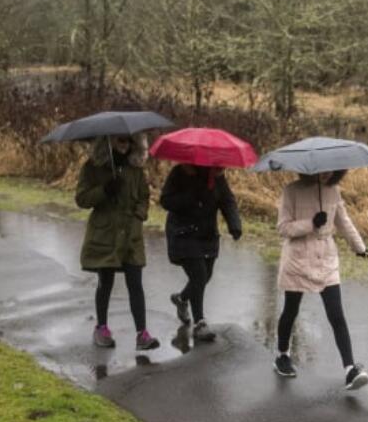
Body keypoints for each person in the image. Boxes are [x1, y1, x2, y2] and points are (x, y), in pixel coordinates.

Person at [273, 170, 368, 390]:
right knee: (291, 310)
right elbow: (283, 227)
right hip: (298, 258)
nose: (328, 174)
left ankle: (350, 369)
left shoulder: (333, 191)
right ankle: (282, 355)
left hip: (326, 258)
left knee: (336, 314)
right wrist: (311, 223)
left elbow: (344, 222)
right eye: (323, 171)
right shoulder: (292, 191)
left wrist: (360, 248)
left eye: (332, 170)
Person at [74, 133, 159, 351]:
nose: (125, 145)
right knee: (106, 282)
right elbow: (81, 199)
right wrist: (105, 190)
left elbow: (143, 197)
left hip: (131, 235)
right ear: (109, 140)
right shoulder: (93, 167)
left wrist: (139, 215)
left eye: (129, 141)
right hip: (105, 234)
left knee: (135, 283)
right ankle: (101, 327)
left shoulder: (136, 170)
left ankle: (142, 333)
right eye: (120, 140)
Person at [160, 163, 243, 343]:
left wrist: (235, 225)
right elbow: (165, 200)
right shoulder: (181, 171)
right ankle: (200, 324)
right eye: (218, 165)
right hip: (184, 233)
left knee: (206, 276)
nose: (223, 168)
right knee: (199, 276)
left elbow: (227, 200)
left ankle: (182, 298)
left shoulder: (217, 177)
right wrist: (192, 193)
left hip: (207, 234)